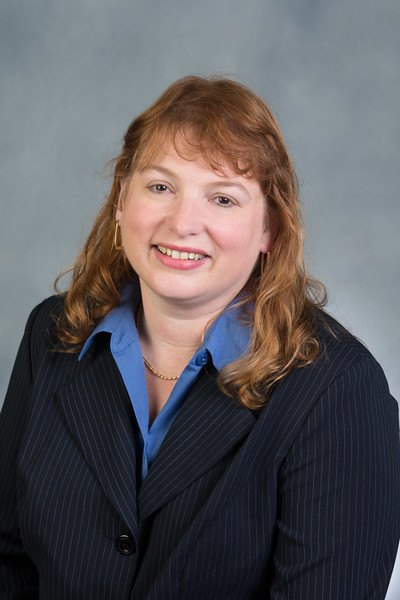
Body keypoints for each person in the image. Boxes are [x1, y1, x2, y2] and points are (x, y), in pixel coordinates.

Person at [0, 76, 399, 600]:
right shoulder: (53, 335)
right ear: (122, 201)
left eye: (223, 199)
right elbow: (8, 562)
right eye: (160, 186)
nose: (183, 222)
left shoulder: (339, 390)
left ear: (270, 230)